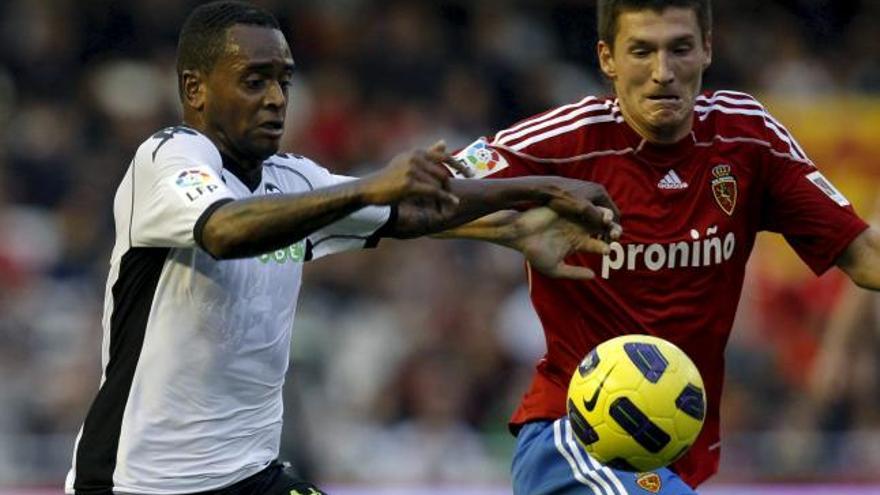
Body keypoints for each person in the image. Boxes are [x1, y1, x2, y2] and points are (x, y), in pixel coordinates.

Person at [64, 2, 623, 494]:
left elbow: (411, 212)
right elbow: (223, 230)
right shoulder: (167, 158)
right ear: (195, 89)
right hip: (139, 483)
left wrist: (536, 192)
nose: (277, 98)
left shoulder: (291, 180)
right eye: (254, 81)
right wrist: (369, 185)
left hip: (250, 475)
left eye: (284, 80)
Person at [448, 0, 880, 493]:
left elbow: (866, 256)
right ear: (608, 58)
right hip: (576, 440)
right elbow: (430, 194)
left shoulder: (746, 138)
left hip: (674, 450)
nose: (662, 72)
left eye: (679, 49)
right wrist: (496, 229)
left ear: (707, 50)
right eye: (641, 51)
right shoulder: (563, 142)